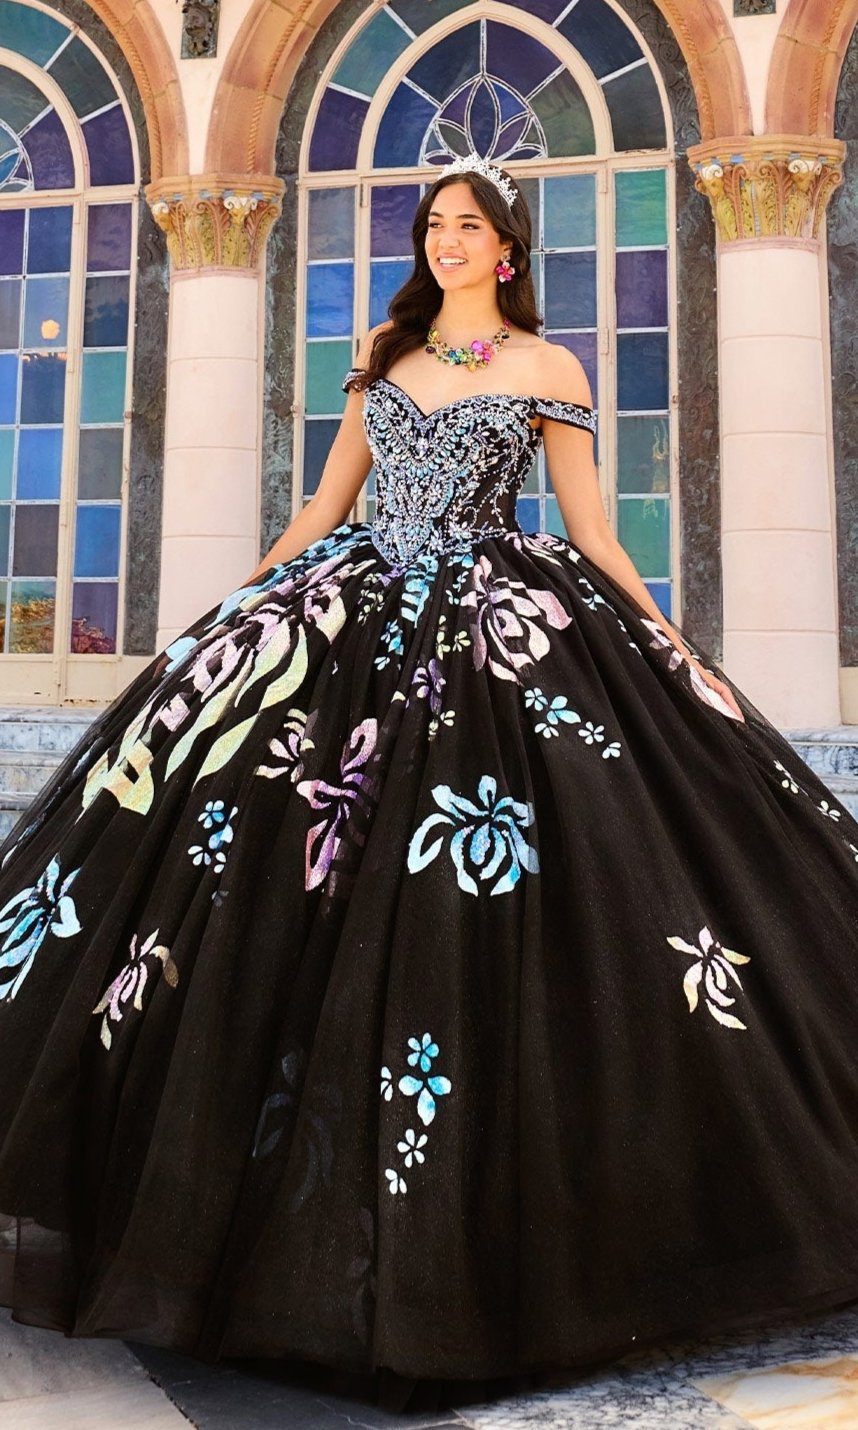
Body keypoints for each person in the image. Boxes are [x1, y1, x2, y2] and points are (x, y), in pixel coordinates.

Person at [2, 151, 858, 1415]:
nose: (445, 241)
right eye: (433, 226)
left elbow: (592, 529)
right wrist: (236, 610)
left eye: (467, 226)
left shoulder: (551, 370)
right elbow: (320, 512)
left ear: (508, 248)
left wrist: (671, 642)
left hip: (498, 633)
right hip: (345, 619)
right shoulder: (382, 361)